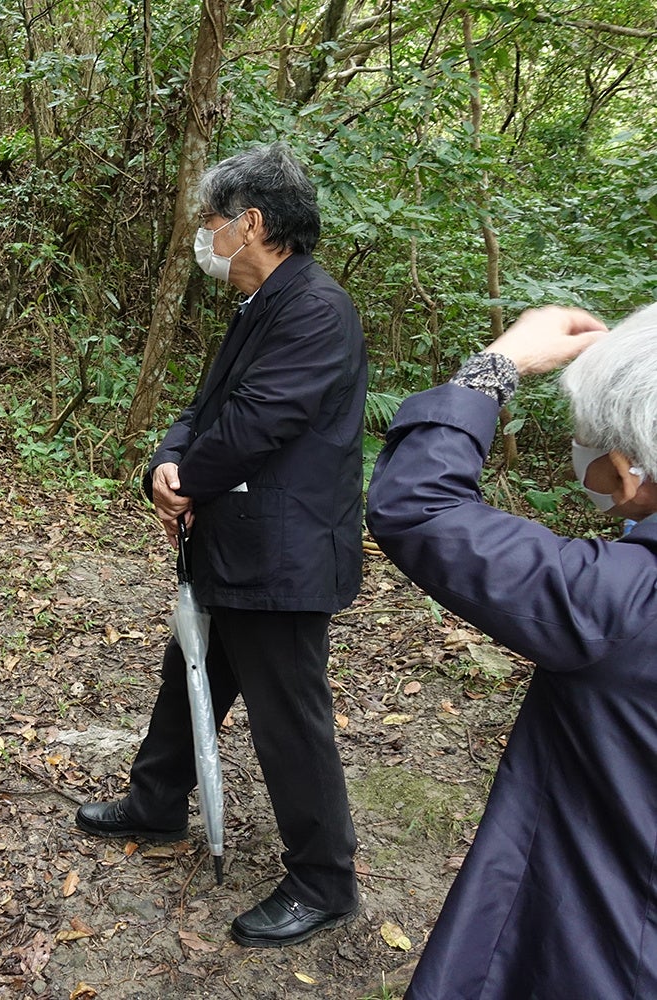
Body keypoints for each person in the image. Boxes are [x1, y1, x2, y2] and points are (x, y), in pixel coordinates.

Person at [77, 142, 365, 948]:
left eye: (212, 221)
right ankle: (158, 802)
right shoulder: (258, 305)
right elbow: (204, 411)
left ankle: (324, 879)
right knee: (189, 677)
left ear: (252, 223)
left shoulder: (314, 308)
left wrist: (189, 477)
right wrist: (166, 466)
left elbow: (256, 424)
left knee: (289, 719)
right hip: (235, 551)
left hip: (284, 557)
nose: (205, 236)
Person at [367, 303, 657, 998]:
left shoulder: (618, 602)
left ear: (628, 470)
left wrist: (496, 368)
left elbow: (421, 507)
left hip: (599, 946)